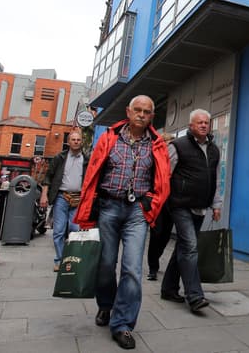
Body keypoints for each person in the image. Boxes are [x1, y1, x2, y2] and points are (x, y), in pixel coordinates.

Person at [74, 95, 170, 350]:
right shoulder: (109, 138)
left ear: (152, 116)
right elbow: (93, 172)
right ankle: (106, 305)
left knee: (132, 269)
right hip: (108, 207)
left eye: (147, 111)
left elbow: (162, 180)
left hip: (137, 211)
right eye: (137, 110)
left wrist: (150, 203)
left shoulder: (157, 144)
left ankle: (123, 324)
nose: (141, 114)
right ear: (128, 112)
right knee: (105, 264)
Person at [160, 109, 222, 313]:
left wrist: (216, 205)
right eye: (199, 122)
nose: (204, 125)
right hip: (180, 205)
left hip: (200, 207)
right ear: (191, 126)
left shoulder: (214, 149)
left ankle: (168, 288)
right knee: (190, 247)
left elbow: (215, 179)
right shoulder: (177, 146)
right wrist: (160, 202)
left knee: (184, 247)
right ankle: (194, 296)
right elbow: (164, 176)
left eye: (206, 122)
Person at [40, 129, 89, 272]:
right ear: (68, 142)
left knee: (75, 231)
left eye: (78, 140)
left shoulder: (86, 159)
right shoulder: (59, 158)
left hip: (78, 198)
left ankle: (72, 260)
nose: (76, 142)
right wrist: (44, 195)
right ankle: (60, 260)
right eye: (73, 140)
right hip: (61, 197)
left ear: (81, 142)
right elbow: (48, 177)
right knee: (59, 231)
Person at [146, 132, 175, 281]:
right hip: (157, 201)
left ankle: (156, 257)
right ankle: (153, 267)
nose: (168, 147)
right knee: (156, 233)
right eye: (166, 143)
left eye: (170, 144)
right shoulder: (155, 160)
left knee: (165, 235)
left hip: (171, 201)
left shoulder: (175, 160)